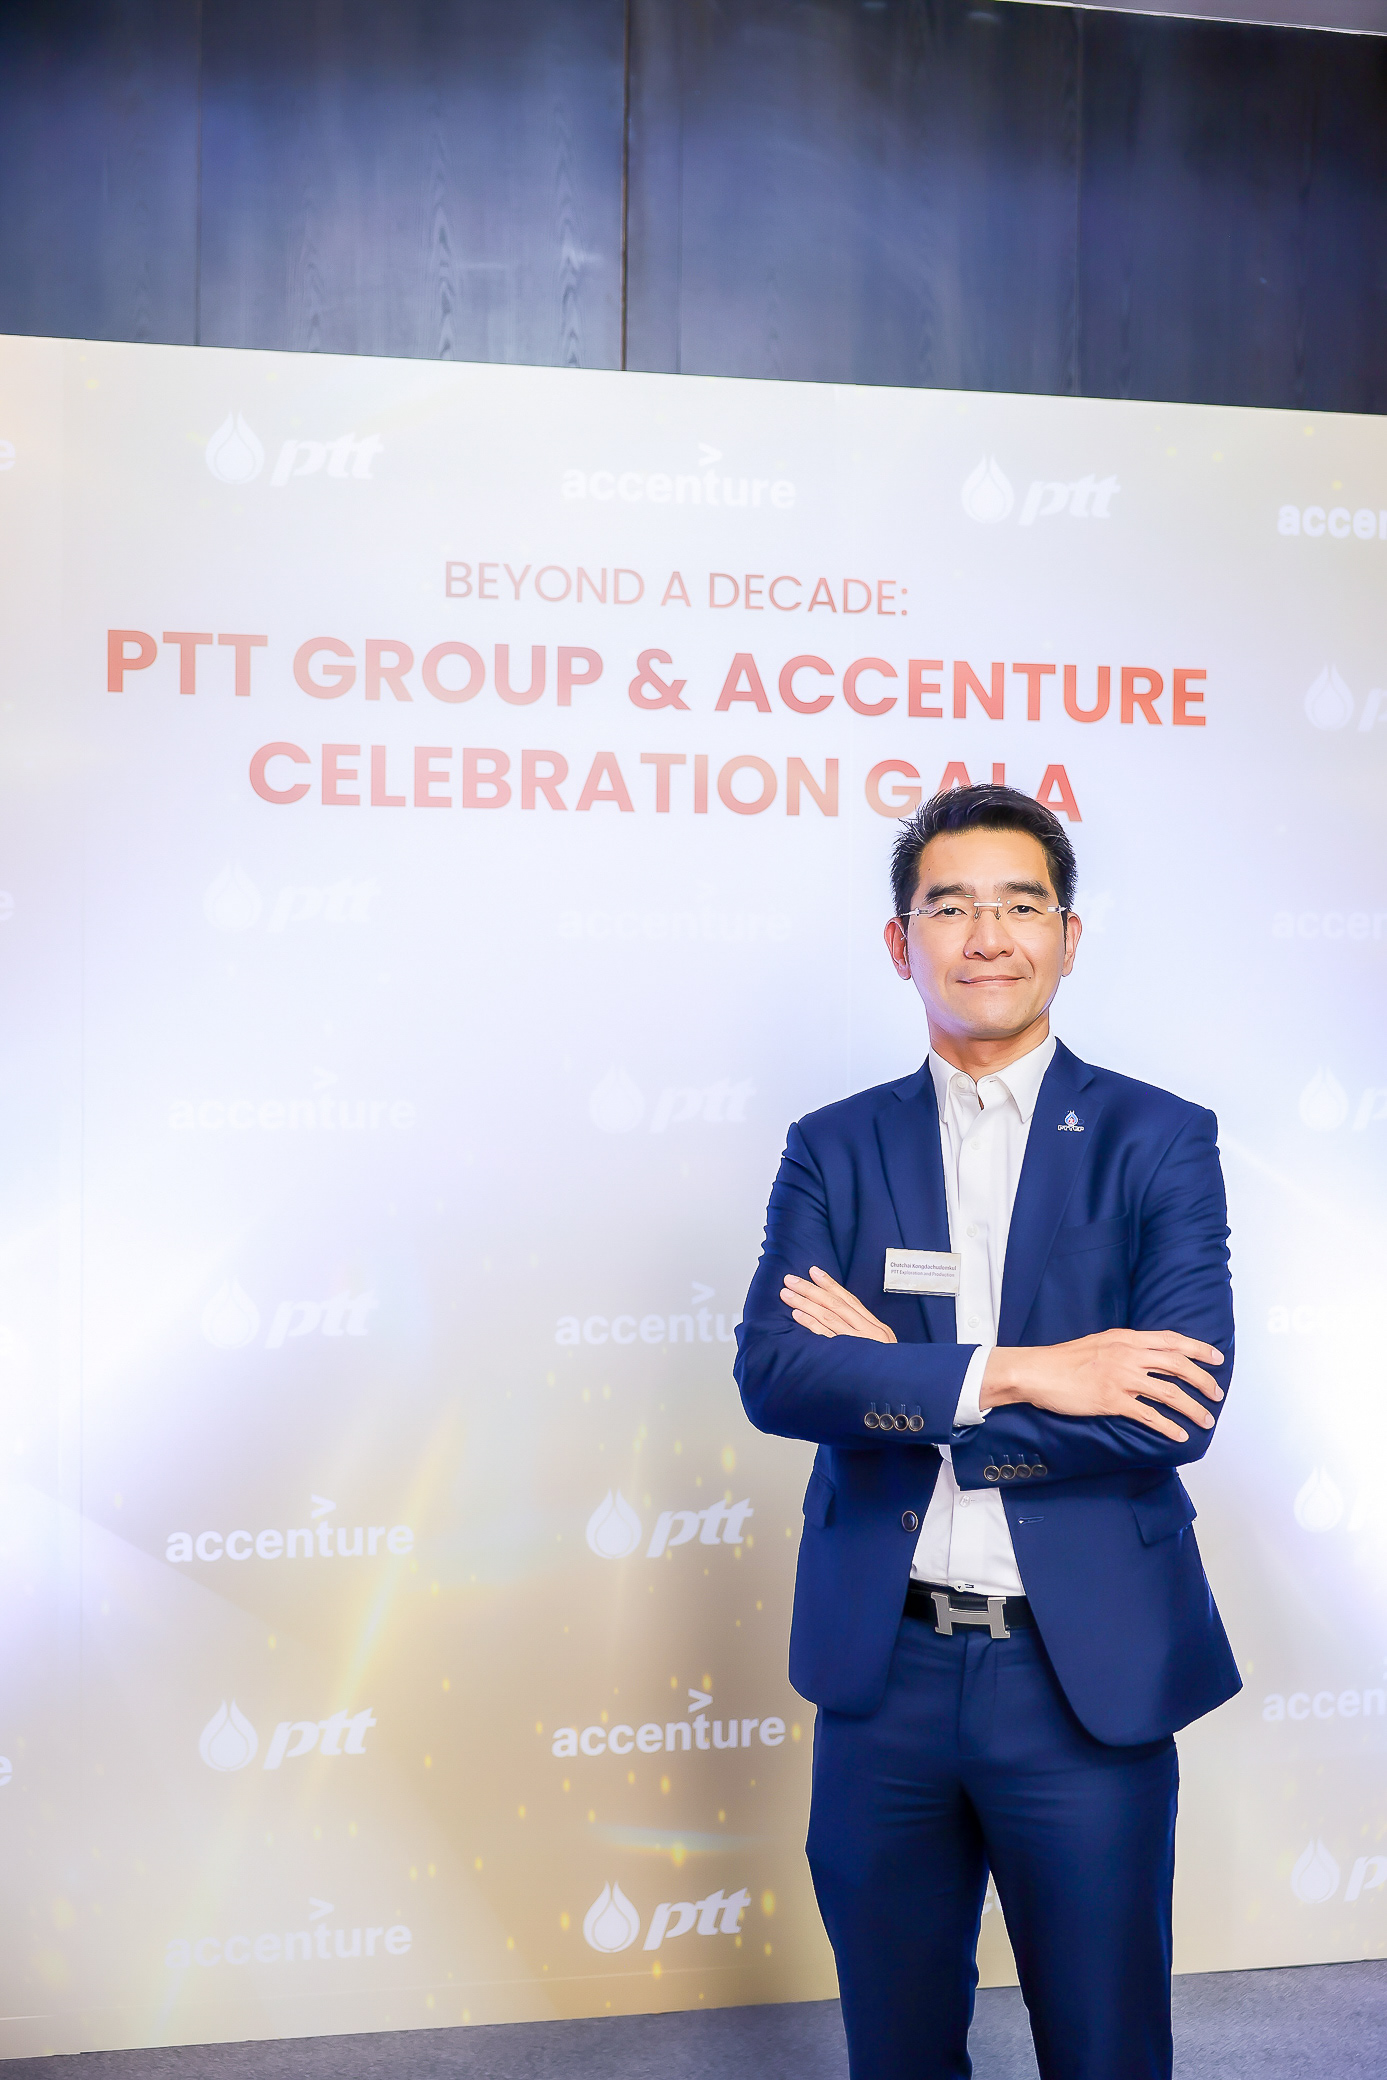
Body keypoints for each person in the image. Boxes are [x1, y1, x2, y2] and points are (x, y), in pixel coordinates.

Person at [734, 783, 1238, 2080]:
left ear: (1068, 936)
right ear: (899, 943)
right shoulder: (835, 1146)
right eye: (950, 906)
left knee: (1105, 2048)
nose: (987, 934)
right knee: (897, 2049)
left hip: (1076, 1678)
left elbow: (1177, 1405)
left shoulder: (1157, 1139)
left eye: (1021, 904)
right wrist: (1027, 1374)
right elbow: (778, 1375)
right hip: (883, 1672)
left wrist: (902, 1383)